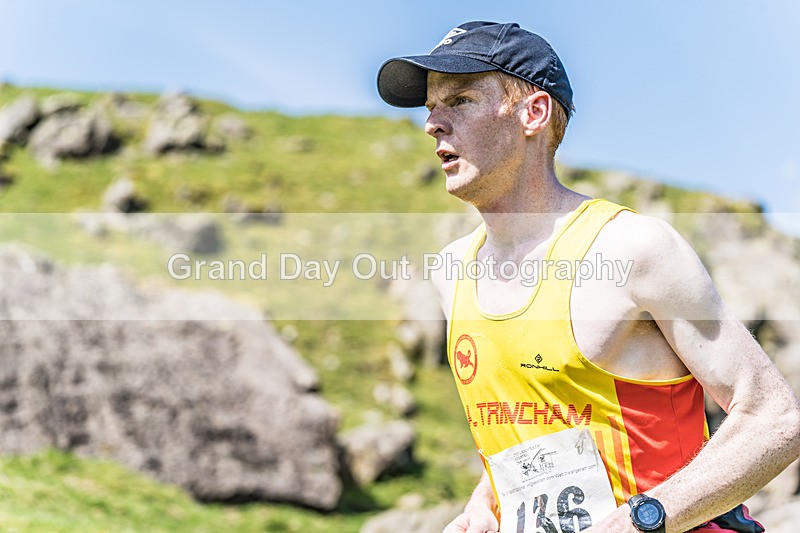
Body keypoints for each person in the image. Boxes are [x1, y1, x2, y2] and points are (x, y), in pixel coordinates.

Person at [377, 21, 800, 533]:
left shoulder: (633, 249)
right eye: (430, 108)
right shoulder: (451, 271)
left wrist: (641, 521)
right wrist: (484, 505)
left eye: (460, 101)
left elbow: (774, 420)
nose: (432, 125)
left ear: (533, 113)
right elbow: (538, 424)